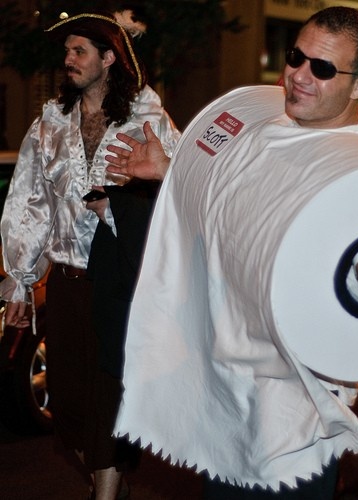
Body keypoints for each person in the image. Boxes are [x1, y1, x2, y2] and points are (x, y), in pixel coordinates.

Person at [106, 7, 358, 499]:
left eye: (322, 69)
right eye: (295, 57)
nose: (298, 75)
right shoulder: (264, 130)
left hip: (288, 428)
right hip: (223, 406)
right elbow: (232, 201)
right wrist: (171, 169)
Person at [0, 12, 180, 500]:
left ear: (108, 59)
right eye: (66, 52)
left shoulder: (148, 122)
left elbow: (176, 201)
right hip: (64, 283)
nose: (68, 60)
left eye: (79, 51)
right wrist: (19, 278)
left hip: (120, 284)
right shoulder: (50, 125)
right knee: (73, 412)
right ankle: (111, 485)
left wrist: (114, 211)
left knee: (110, 401)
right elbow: (28, 202)